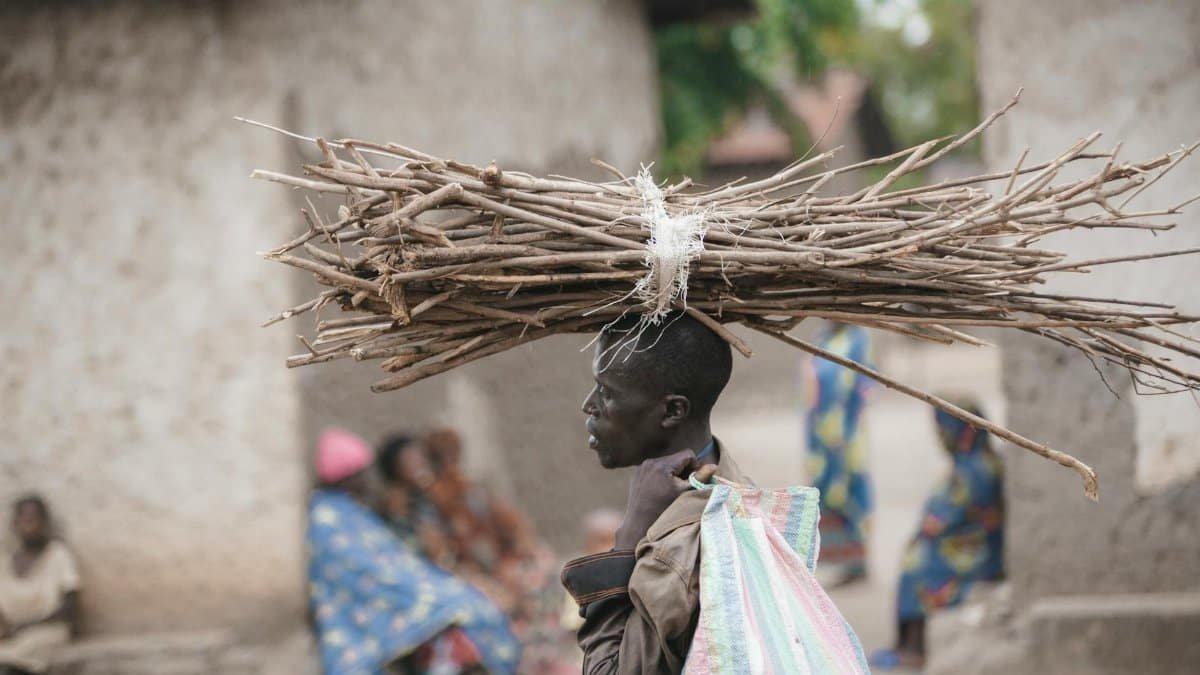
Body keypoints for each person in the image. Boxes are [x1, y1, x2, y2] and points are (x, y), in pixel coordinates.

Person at [561, 312, 740, 674]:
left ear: (673, 410)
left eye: (607, 392)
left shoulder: (675, 554)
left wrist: (628, 540)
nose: (589, 405)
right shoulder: (738, 489)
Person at [307, 427, 520, 675]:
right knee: (453, 608)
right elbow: (370, 565)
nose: (367, 480)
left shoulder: (446, 491)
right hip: (407, 583)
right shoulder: (351, 514)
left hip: (453, 568)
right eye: (361, 474)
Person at [871, 400, 1005, 670]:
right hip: (966, 541)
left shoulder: (977, 469)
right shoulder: (970, 463)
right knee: (917, 556)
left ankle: (914, 645)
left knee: (921, 565)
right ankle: (908, 641)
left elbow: (955, 514)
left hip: (980, 553)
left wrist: (930, 529)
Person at [803, 320, 875, 586]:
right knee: (827, 493)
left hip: (847, 436)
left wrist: (844, 433)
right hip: (821, 434)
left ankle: (858, 563)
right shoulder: (822, 339)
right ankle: (843, 562)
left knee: (849, 493)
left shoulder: (858, 339)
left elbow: (861, 389)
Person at [0, 495, 80, 675]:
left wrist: (29, 625)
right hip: (11, 631)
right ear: (15, 523)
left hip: (46, 630)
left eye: (34, 519)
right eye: (24, 518)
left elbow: (71, 605)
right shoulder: (4, 560)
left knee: (22, 652)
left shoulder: (58, 555)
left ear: (44, 523)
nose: (29, 524)